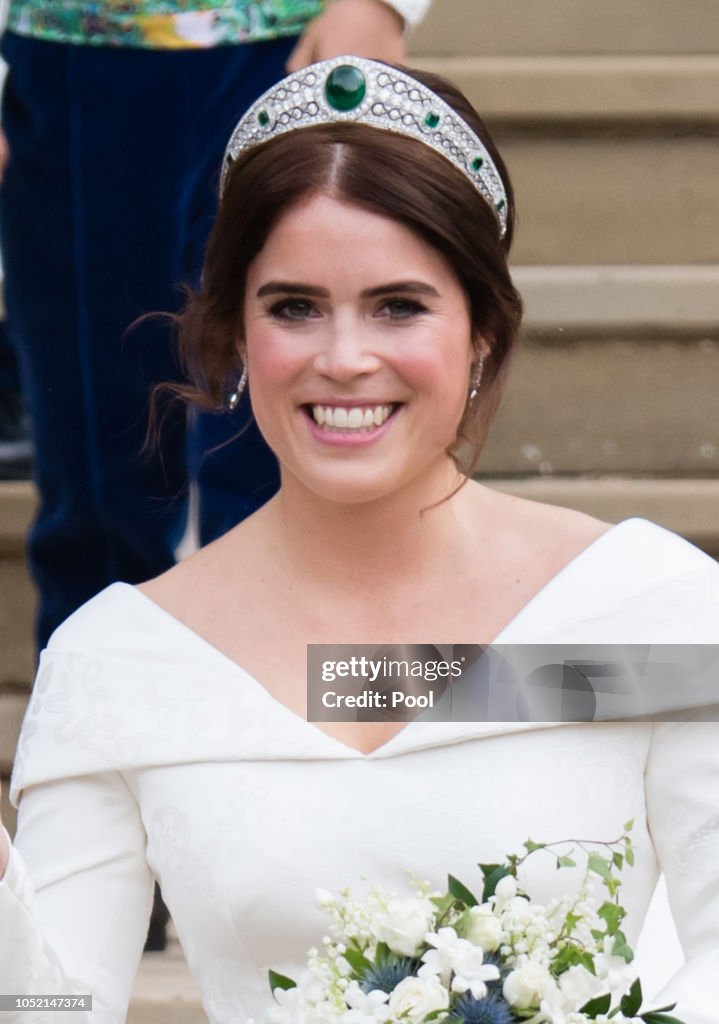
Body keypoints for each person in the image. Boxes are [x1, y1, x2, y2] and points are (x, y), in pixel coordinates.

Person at [1, 56, 718, 1024]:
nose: (342, 359)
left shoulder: (636, 611)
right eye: (292, 306)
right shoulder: (125, 662)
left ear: (479, 333)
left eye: (398, 305)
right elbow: (48, 1006)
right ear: (236, 334)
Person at [0, 0, 430, 654]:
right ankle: (98, 712)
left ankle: (287, 692)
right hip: (71, 57)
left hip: (286, 46)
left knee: (292, 435)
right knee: (95, 441)